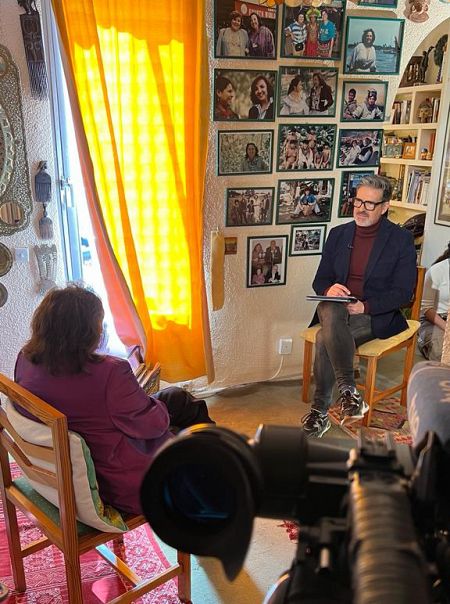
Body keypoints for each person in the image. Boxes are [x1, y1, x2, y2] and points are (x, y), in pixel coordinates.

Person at [14, 286, 215, 515]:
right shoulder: (109, 371)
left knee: (176, 397)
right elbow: (154, 425)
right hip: (115, 484)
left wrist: (139, 401)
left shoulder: (26, 359)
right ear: (87, 331)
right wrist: (149, 405)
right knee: (186, 416)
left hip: (62, 471)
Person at [301, 174, 417, 438]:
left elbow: (403, 293)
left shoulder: (400, 240)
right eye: (357, 201)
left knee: (323, 337)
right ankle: (349, 393)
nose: (360, 209)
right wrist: (329, 289)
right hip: (338, 309)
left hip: (374, 313)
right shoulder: (339, 234)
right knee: (330, 307)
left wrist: (364, 307)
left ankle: (320, 412)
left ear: (385, 207)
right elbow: (320, 280)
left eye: (369, 204)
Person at [418, 243, 450, 361]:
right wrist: (448, 329)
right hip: (434, 321)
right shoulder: (437, 270)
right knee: (444, 355)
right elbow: (426, 309)